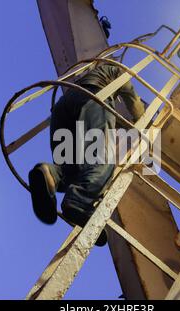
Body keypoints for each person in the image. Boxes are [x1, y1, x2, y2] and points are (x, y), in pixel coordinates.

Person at [28, 62, 145, 246]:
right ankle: (79, 201)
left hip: (62, 109)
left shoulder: (84, 76)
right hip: (94, 97)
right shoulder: (116, 71)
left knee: (72, 168)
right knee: (102, 160)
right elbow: (132, 96)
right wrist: (141, 120)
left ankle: (49, 173)